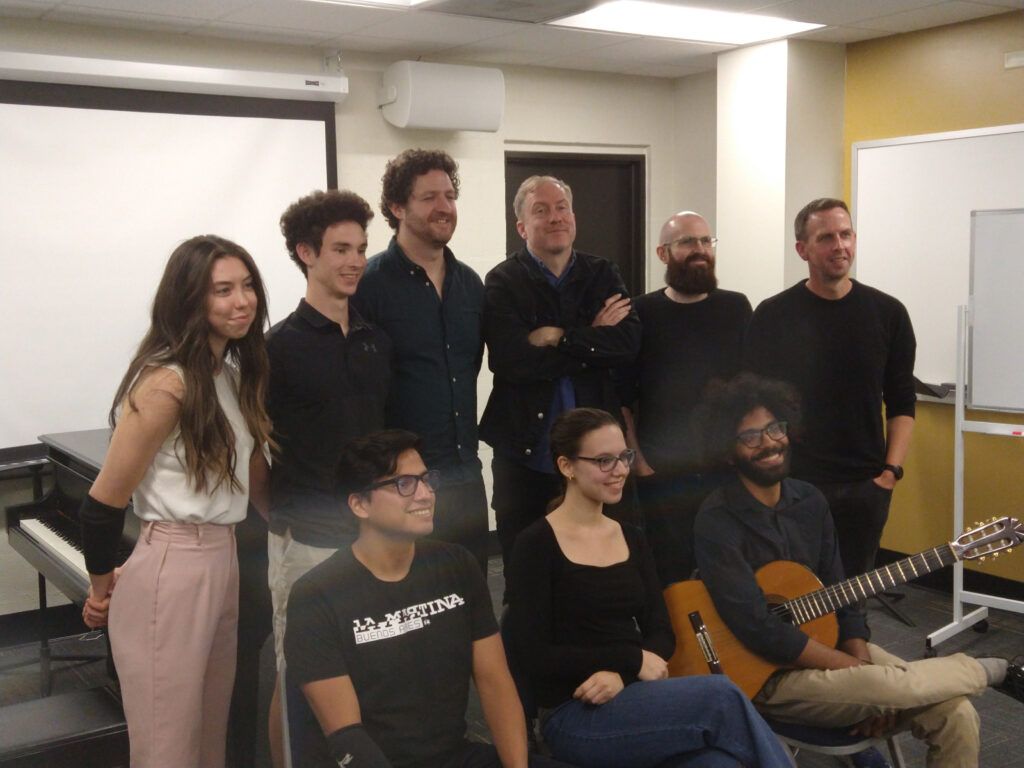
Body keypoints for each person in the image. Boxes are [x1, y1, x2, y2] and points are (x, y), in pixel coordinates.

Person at [691, 373, 1022, 768]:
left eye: (775, 428)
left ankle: (919, 682)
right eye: (750, 437)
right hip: (767, 675)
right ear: (728, 452)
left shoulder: (810, 501)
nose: (769, 443)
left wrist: (861, 671)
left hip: (830, 650)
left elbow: (843, 594)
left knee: (957, 712)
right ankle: (998, 670)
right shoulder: (717, 520)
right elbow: (759, 628)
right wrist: (859, 677)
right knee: (891, 685)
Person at [506, 408, 794, 768]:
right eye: (604, 461)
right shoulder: (536, 544)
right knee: (720, 695)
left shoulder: (631, 537)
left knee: (719, 763)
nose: (620, 470)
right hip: (573, 714)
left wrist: (623, 674)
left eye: (624, 457)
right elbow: (533, 654)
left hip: (632, 693)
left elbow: (661, 632)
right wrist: (630, 659)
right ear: (567, 466)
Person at [80, 235, 274, 767]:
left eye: (248, 286)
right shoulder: (167, 383)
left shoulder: (227, 375)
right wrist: (101, 589)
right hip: (174, 563)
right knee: (166, 749)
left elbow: (252, 485)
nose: (243, 301)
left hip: (222, 559)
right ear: (190, 300)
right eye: (223, 290)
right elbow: (102, 504)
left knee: (209, 739)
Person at [284, 429, 573, 768]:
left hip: (455, 757)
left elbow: (495, 682)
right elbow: (347, 738)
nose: (425, 494)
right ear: (359, 504)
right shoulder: (316, 595)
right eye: (403, 484)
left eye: (425, 480)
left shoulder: (456, 565)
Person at [266, 189, 392, 766]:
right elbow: (257, 453)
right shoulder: (277, 348)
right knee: (299, 677)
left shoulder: (375, 340)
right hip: (307, 541)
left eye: (361, 249)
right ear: (306, 253)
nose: (355, 261)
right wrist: (286, 519)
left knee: (365, 671)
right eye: (341, 249)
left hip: (371, 537)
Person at [744, 197, 916, 581]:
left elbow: (902, 401)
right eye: (826, 237)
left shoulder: (888, 313)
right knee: (793, 590)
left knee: (853, 595)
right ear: (802, 249)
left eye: (846, 234)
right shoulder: (773, 316)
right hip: (792, 482)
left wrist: (890, 473)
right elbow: (754, 404)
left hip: (865, 484)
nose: (840, 246)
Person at [481, 175, 641, 571]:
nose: (555, 217)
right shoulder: (503, 281)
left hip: (598, 456)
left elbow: (626, 344)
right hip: (527, 456)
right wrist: (592, 337)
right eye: (541, 210)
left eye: (562, 208)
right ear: (522, 227)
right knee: (526, 568)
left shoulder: (602, 273)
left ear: (574, 217)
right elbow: (512, 362)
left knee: (604, 565)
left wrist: (559, 337)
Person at [353, 149, 489, 573]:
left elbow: (470, 366)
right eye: (429, 197)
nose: (444, 207)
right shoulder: (369, 285)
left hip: (465, 474)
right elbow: (361, 390)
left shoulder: (470, 284)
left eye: (450, 196)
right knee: (410, 594)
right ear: (397, 208)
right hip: (400, 483)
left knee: (470, 587)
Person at [619, 210, 751, 586]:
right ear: (663, 253)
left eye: (706, 240)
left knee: (728, 572)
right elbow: (623, 397)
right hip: (662, 473)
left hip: (724, 470)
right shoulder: (641, 312)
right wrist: (639, 462)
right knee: (670, 577)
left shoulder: (736, 308)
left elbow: (752, 390)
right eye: (687, 241)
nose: (700, 249)